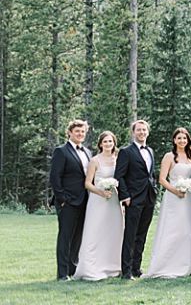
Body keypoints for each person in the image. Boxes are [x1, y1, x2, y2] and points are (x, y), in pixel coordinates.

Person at [144, 127, 191, 278]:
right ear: (174, 140)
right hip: (174, 198)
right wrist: (176, 191)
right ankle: (167, 264)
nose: (182, 141)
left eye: (184, 138)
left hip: (189, 198)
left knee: (187, 231)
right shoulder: (169, 156)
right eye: (179, 138)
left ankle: (186, 263)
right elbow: (162, 179)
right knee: (173, 230)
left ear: (188, 140)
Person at [72, 131, 122, 280]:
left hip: (113, 201)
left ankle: (113, 266)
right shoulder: (94, 160)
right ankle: (92, 267)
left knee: (114, 232)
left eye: (110, 141)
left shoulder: (118, 159)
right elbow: (87, 183)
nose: (108, 144)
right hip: (98, 201)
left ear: (114, 143)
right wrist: (101, 192)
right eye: (105, 142)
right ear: (100, 144)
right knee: (95, 232)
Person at [115, 119, 158, 280]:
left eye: (144, 130)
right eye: (138, 130)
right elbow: (119, 175)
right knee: (130, 235)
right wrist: (125, 196)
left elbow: (150, 175)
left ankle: (136, 268)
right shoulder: (126, 152)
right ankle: (125, 271)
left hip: (148, 197)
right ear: (133, 132)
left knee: (142, 234)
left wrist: (153, 189)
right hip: (133, 199)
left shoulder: (151, 151)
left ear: (147, 132)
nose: (141, 133)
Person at [50, 119, 91, 281]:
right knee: (65, 237)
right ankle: (62, 273)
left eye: (82, 132)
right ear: (70, 133)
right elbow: (55, 177)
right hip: (67, 201)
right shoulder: (61, 151)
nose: (80, 134)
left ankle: (73, 270)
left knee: (78, 237)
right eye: (77, 131)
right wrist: (62, 199)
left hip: (85, 201)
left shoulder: (88, 152)